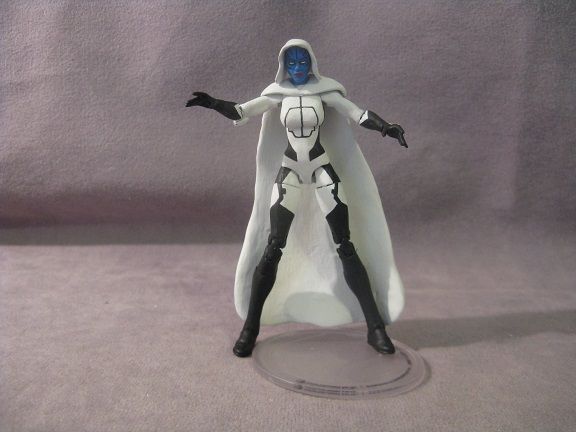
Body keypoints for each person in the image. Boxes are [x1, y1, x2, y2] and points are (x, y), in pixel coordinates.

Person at [187, 39, 407, 357]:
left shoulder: (325, 91)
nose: (298, 68)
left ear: (311, 63)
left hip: (321, 168)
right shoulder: (276, 94)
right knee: (273, 246)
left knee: (345, 245)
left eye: (302, 62)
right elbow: (243, 111)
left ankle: (375, 328)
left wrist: (386, 128)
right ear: (284, 66)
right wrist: (213, 103)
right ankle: (250, 328)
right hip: (290, 170)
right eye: (292, 63)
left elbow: (358, 114)